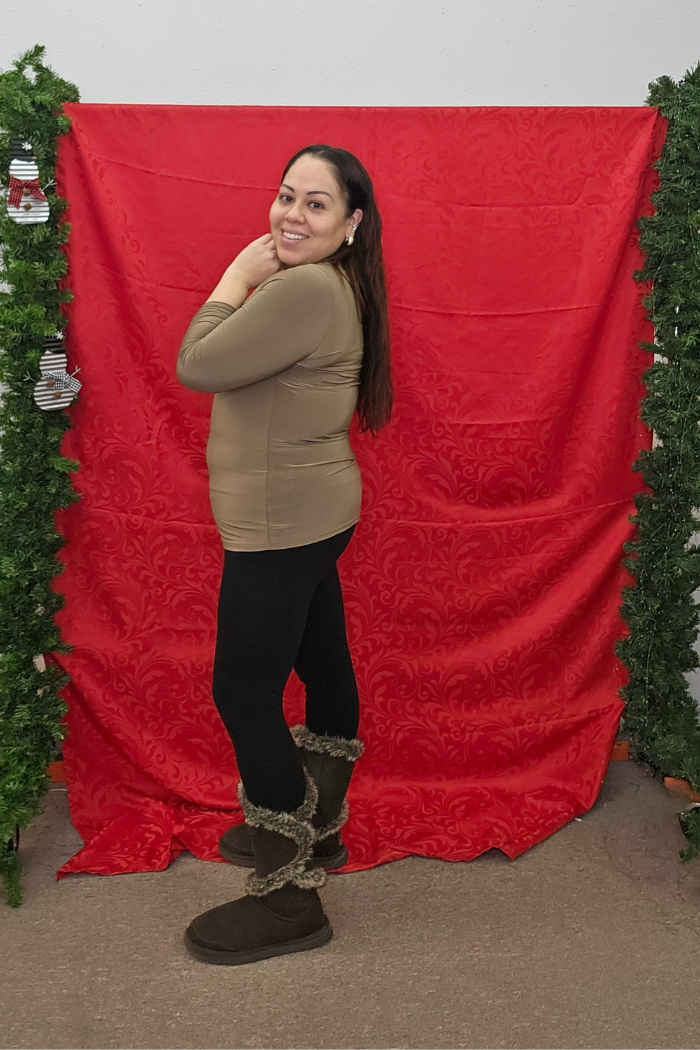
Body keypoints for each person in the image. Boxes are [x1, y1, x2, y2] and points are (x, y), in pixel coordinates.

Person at [176, 144, 393, 966]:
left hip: (281, 522)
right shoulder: (333, 282)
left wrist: (235, 276)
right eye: (285, 196)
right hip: (312, 512)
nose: (291, 215)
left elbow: (197, 364)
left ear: (352, 223)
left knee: (241, 691)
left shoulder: (302, 287)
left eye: (316, 203)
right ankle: (318, 830)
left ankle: (288, 897)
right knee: (323, 663)